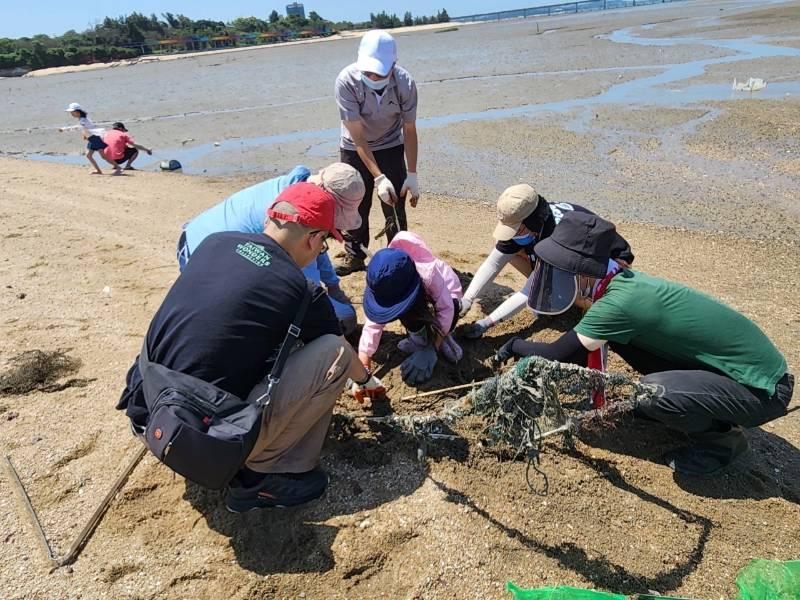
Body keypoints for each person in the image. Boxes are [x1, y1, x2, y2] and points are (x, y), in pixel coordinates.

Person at [118, 183, 385, 511]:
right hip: (203, 442)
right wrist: (365, 380)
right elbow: (341, 349)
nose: (320, 252)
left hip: (148, 410)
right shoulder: (302, 290)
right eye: (324, 245)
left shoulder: (214, 243)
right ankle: (261, 479)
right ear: (313, 239)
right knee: (334, 352)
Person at [493, 211, 794, 476]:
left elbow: (558, 356)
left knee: (655, 392)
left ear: (581, 269)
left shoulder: (618, 305)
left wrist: (514, 345)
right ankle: (695, 403)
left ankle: (723, 443)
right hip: (740, 371)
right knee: (627, 346)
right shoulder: (620, 280)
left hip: (763, 389)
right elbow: (583, 349)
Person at [179, 163, 365, 335]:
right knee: (342, 318)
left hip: (201, 242)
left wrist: (333, 287)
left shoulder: (297, 192)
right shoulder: (292, 225)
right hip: (200, 264)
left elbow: (317, 251)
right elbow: (308, 293)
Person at [460, 184, 634, 338]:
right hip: (568, 255)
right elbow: (493, 263)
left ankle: (581, 302)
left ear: (533, 220)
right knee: (511, 250)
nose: (513, 234)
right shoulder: (527, 222)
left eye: (517, 229)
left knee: (561, 287)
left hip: (612, 263)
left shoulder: (557, 234)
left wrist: (487, 323)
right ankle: (556, 287)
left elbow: (528, 291)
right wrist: (467, 300)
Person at [334, 29, 420, 275]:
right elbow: (358, 136)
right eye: (367, 70)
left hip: (391, 144)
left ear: (393, 64)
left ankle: (398, 254)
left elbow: (410, 129)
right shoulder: (346, 81)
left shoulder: (405, 83)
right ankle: (355, 255)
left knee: (395, 204)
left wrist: (412, 174)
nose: (372, 75)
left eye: (378, 71)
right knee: (354, 203)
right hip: (354, 147)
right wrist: (378, 177)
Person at [358, 232, 463, 386]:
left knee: (445, 310)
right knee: (410, 316)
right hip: (412, 297)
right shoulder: (383, 280)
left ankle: (444, 339)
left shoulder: (429, 275)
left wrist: (432, 347)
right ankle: (418, 340)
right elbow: (373, 325)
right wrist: (363, 364)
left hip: (448, 297)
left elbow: (446, 309)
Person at [59, 102, 122, 176]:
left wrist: (64, 129)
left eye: (72, 112)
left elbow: (78, 127)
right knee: (89, 155)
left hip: (95, 139)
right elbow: (88, 128)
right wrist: (85, 135)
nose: (71, 114)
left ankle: (119, 168)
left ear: (77, 112)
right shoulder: (82, 119)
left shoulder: (83, 119)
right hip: (91, 138)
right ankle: (98, 170)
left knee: (103, 156)